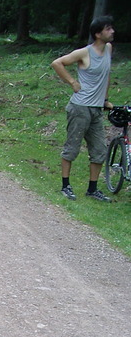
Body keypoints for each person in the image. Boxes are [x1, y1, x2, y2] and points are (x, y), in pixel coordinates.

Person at [51, 16, 114, 202]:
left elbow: (106, 75)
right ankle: (65, 186)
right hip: (80, 107)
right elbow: (57, 63)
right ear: (98, 33)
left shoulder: (109, 49)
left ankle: (92, 189)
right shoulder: (84, 53)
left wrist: (105, 99)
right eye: (108, 29)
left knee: (100, 150)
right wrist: (72, 82)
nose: (112, 32)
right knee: (72, 147)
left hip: (96, 109)